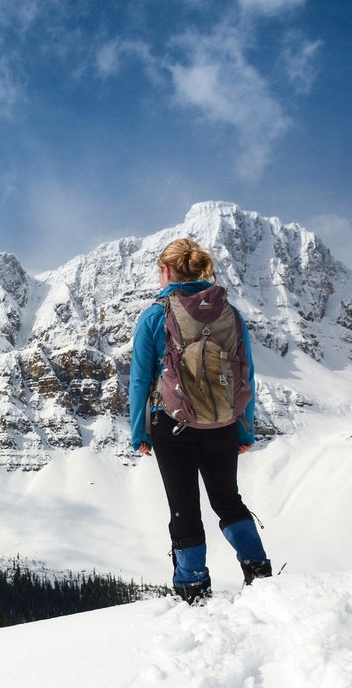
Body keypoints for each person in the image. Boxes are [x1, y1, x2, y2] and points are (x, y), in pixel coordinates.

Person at [129, 238, 272, 603]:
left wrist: (138, 432)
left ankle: (193, 587)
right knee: (227, 499)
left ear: (166, 270)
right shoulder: (230, 313)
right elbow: (246, 374)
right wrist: (244, 426)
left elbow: (141, 380)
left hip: (171, 424)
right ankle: (259, 572)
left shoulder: (154, 315)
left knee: (184, 506)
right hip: (223, 423)